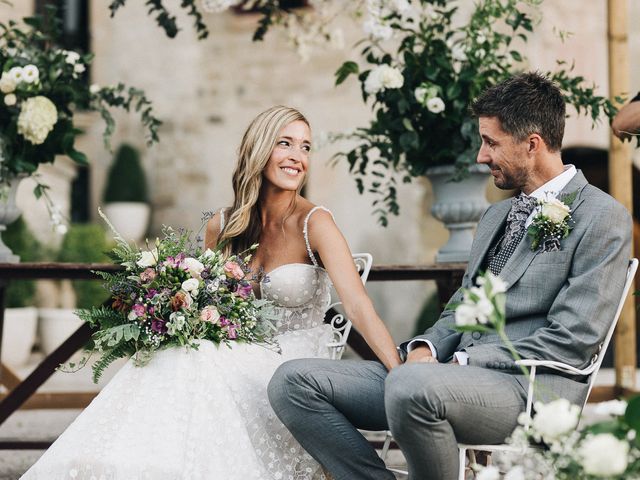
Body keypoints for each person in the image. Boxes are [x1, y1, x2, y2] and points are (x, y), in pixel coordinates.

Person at [268, 73, 633, 480]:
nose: (480, 156)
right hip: (441, 377)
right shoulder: (496, 213)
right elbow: (462, 306)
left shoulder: (603, 217)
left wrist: (460, 360)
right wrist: (427, 346)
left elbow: (573, 339)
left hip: (527, 389)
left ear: (531, 144)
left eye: (491, 142)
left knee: (412, 387)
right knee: (293, 381)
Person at [21, 105, 401, 480]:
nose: (297, 157)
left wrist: (399, 376)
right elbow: (206, 302)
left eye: (305, 147)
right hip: (233, 350)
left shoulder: (315, 222)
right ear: (259, 148)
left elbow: (358, 305)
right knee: (178, 353)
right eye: (285, 143)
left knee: (195, 359)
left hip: (295, 358)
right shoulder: (223, 224)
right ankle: (129, 467)